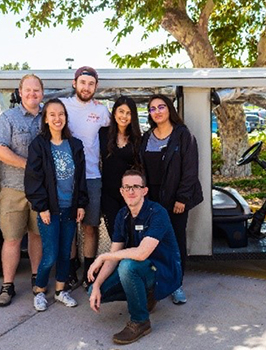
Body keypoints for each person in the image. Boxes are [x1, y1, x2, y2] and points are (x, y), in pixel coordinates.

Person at [87, 169, 182, 345]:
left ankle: (140, 321)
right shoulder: (122, 215)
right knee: (94, 291)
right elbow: (114, 257)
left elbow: (141, 253)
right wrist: (97, 285)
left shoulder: (157, 213)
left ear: (144, 190)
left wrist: (102, 256)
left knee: (127, 267)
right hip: (143, 268)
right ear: (121, 191)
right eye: (127, 187)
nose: (131, 191)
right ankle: (146, 295)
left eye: (136, 187)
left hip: (163, 270)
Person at [24, 99, 89, 311]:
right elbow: (33, 179)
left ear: (66, 117)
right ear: (45, 118)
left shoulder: (75, 145)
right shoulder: (39, 145)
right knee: (50, 254)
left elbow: (80, 179)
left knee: (65, 253)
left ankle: (61, 290)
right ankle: (40, 290)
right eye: (52, 114)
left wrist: (80, 204)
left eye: (61, 114)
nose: (57, 118)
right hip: (49, 210)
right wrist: (41, 207)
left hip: (70, 209)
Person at [140, 94, 203, 305]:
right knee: (152, 241)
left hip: (176, 198)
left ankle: (176, 285)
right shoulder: (146, 137)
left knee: (175, 241)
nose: (157, 111)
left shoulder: (183, 135)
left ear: (169, 109)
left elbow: (190, 169)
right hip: (152, 199)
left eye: (161, 107)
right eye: (152, 109)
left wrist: (182, 198)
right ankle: (155, 283)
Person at [0, 74, 44, 307]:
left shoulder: (50, 116)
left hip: (41, 191)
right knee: (11, 239)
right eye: (28, 90)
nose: (32, 94)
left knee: (37, 236)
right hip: (13, 190)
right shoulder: (8, 118)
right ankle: (7, 286)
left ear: (42, 93)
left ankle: (36, 279)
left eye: (37, 90)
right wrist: (28, 164)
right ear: (20, 93)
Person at [60, 66, 110, 288]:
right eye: (83, 82)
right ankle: (70, 269)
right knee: (69, 226)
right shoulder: (62, 106)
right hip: (65, 176)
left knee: (90, 226)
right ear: (75, 83)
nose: (86, 87)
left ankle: (89, 272)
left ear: (96, 87)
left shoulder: (101, 111)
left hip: (92, 177)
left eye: (91, 84)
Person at [99, 96, 142, 238]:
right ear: (114, 112)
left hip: (130, 193)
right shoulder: (103, 133)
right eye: (121, 111)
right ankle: (119, 260)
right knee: (115, 233)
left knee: (131, 232)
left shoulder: (137, 139)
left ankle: (129, 260)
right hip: (108, 192)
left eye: (128, 113)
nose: (124, 116)